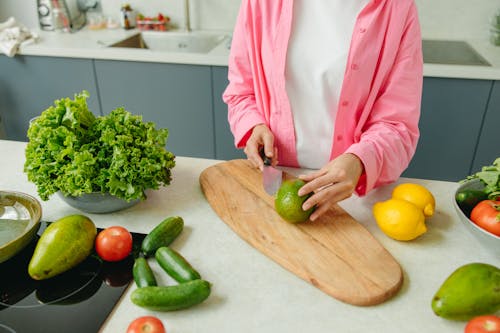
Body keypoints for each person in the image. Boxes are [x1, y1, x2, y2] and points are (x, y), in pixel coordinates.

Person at [223, 0, 423, 221]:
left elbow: (398, 125)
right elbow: (241, 92)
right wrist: (253, 125)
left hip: (351, 194)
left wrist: (359, 160)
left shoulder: (396, 8)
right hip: (277, 182)